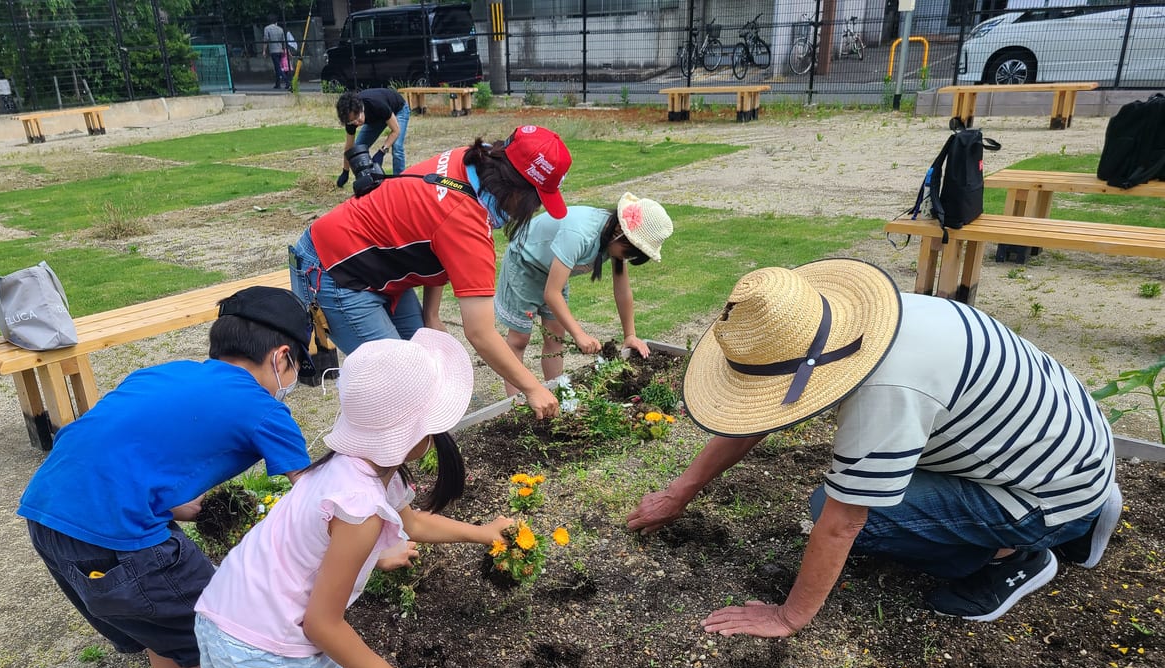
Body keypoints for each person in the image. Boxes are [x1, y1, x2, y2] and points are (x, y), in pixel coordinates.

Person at [627, 260, 1122, 630]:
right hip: (1070, 445)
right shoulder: (872, 320)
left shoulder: (888, 392)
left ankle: (1019, 554)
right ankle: (1082, 510)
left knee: (834, 511)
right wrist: (681, 491)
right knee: (845, 499)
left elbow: (844, 524)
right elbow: (766, 409)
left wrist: (788, 615)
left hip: (1045, 492)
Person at [194, 330, 512, 668]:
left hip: (226, 612)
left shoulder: (352, 469)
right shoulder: (361, 507)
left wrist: (480, 534)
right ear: (414, 436)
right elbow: (322, 622)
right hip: (268, 638)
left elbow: (411, 522)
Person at [18, 287, 316, 668]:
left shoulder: (165, 373)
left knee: (164, 639)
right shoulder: (262, 408)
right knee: (217, 639)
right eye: (296, 369)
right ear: (281, 357)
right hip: (122, 543)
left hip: (51, 519)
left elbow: (113, 443)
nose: (291, 382)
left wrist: (174, 504)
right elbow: (315, 495)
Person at [290, 124, 572, 420]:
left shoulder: (470, 163)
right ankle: (377, 457)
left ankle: (425, 447)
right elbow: (480, 332)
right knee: (401, 384)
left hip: (376, 263)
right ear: (517, 190)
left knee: (427, 368)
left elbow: (431, 234)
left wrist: (432, 313)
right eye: (538, 198)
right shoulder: (467, 225)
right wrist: (532, 388)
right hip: (336, 270)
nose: (535, 208)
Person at [495, 192, 673, 394]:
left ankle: (556, 396)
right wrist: (579, 334)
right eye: (630, 253)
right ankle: (514, 406)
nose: (628, 258)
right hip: (525, 263)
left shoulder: (612, 238)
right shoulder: (580, 234)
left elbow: (622, 290)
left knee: (555, 338)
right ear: (620, 233)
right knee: (519, 339)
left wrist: (630, 335)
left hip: (553, 270)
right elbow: (552, 294)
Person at [334, 88, 410, 186]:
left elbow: (396, 131)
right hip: (377, 118)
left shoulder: (376, 104)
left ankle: (399, 182)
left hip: (399, 109)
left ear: (361, 108)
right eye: (353, 122)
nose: (357, 123)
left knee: (397, 146)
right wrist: (345, 171)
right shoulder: (351, 119)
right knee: (357, 149)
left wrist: (382, 151)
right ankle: (368, 180)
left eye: (357, 118)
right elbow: (349, 148)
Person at [262, 16, 287, 89]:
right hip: (280, 50)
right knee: (277, 67)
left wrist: (264, 50)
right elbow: (283, 40)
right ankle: (278, 84)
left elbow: (266, 39)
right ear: (276, 21)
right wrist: (284, 49)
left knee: (278, 67)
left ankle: (287, 82)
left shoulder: (267, 28)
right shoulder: (280, 29)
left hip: (273, 50)